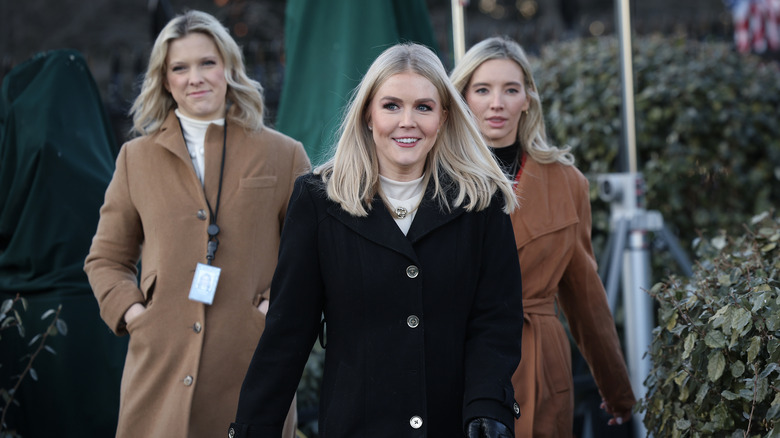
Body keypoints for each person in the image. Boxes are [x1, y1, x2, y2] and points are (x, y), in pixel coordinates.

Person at [229, 42, 523, 438]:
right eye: (391, 106)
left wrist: (489, 406)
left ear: (444, 117)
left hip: (452, 425)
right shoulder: (318, 201)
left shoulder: (480, 203)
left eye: (423, 107)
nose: (408, 121)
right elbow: (288, 331)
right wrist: (253, 428)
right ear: (368, 113)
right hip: (356, 425)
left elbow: (496, 320)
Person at [84, 10, 309, 438]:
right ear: (165, 80)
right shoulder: (137, 159)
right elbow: (106, 258)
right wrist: (134, 314)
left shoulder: (285, 155)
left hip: (252, 365)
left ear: (228, 67)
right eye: (179, 68)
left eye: (206, 63)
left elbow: (310, 256)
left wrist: (270, 311)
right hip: (160, 369)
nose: (195, 78)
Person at [450, 36, 636, 437]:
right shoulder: (437, 176)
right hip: (457, 355)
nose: (497, 103)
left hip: (538, 359)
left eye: (510, 89)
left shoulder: (566, 182)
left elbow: (585, 296)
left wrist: (616, 388)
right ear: (463, 97)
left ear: (527, 99)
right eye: (482, 89)